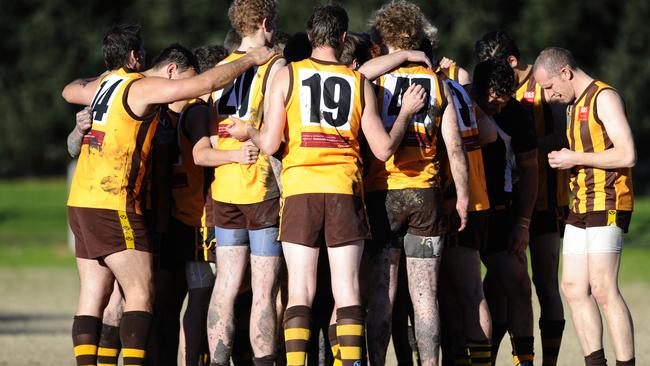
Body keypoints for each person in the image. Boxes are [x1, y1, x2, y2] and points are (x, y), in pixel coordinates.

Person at [61, 22, 275, 366]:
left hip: (80, 201)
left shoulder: (106, 85)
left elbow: (70, 89)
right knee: (142, 294)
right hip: (112, 201)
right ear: (135, 57)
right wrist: (250, 59)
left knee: (94, 295)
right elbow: (205, 82)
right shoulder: (141, 88)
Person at [225, 5, 427, 366]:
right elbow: (382, 149)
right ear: (344, 38)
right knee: (347, 288)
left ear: (309, 36)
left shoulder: (286, 75)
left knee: (300, 289)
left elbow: (270, 144)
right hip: (344, 191)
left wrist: (250, 132)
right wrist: (405, 117)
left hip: (301, 190)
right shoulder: (358, 81)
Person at [363, 2, 469, 365]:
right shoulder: (438, 83)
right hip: (425, 193)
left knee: (382, 294)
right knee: (425, 297)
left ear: (382, 35)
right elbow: (455, 148)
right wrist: (463, 199)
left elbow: (357, 73)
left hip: (384, 192)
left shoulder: (373, 78)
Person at [534, 47, 636, 366]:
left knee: (603, 288)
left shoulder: (604, 97)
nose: (550, 95)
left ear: (565, 73)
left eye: (550, 87)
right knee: (573, 287)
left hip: (608, 200)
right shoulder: (572, 105)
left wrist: (574, 158)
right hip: (579, 203)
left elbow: (626, 154)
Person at [476, 31, 568, 366]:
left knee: (537, 283)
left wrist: (517, 149)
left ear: (510, 63)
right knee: (491, 287)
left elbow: (559, 137)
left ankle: (539, 361)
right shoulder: (477, 95)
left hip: (539, 201)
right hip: (487, 208)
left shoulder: (541, 88)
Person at [203, 1, 285, 365]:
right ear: (266, 23)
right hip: (261, 189)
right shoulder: (276, 65)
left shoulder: (219, 70)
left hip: (224, 190)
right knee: (264, 292)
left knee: (225, 285)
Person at [471, 59, 538, 366]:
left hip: (500, 215)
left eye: (503, 102)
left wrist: (522, 223)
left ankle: (524, 360)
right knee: (464, 296)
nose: (497, 108)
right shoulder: (459, 102)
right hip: (464, 217)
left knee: (520, 285)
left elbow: (529, 168)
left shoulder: (516, 115)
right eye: (493, 102)